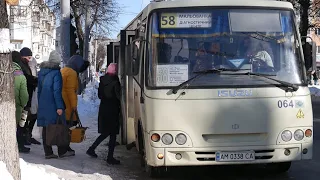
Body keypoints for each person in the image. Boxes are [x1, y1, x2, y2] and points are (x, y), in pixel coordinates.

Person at [37, 50, 73, 159]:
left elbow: (39, 90)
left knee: (45, 127)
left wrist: (41, 102)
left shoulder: (41, 72)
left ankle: (48, 152)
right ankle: (62, 151)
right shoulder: (56, 73)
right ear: (58, 62)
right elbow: (56, 91)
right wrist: (59, 106)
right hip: (53, 104)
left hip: (43, 103)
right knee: (59, 126)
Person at [86, 63, 121, 165]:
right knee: (113, 134)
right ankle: (110, 158)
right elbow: (118, 97)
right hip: (113, 109)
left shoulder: (102, 80)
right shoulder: (115, 82)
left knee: (105, 132)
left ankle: (92, 149)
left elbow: (100, 95)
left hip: (104, 108)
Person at [61, 55, 89, 155]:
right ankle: (64, 148)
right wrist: (74, 105)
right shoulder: (72, 73)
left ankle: (65, 147)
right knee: (69, 127)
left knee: (65, 126)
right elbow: (70, 91)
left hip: (62, 102)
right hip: (67, 103)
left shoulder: (64, 70)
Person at [19, 47, 38, 146]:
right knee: (23, 118)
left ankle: (25, 136)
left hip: (28, 95)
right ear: (23, 56)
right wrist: (34, 80)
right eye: (28, 57)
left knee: (26, 117)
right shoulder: (21, 65)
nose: (30, 59)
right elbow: (25, 78)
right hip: (24, 96)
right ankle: (22, 139)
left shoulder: (26, 64)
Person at [12, 51, 30, 153]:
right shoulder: (20, 75)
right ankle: (18, 146)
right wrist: (24, 104)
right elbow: (24, 96)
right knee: (18, 127)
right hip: (17, 107)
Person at [26, 57, 41, 145]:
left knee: (33, 115)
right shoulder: (27, 69)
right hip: (29, 96)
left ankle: (28, 135)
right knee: (28, 116)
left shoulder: (31, 68)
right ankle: (26, 136)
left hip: (33, 95)